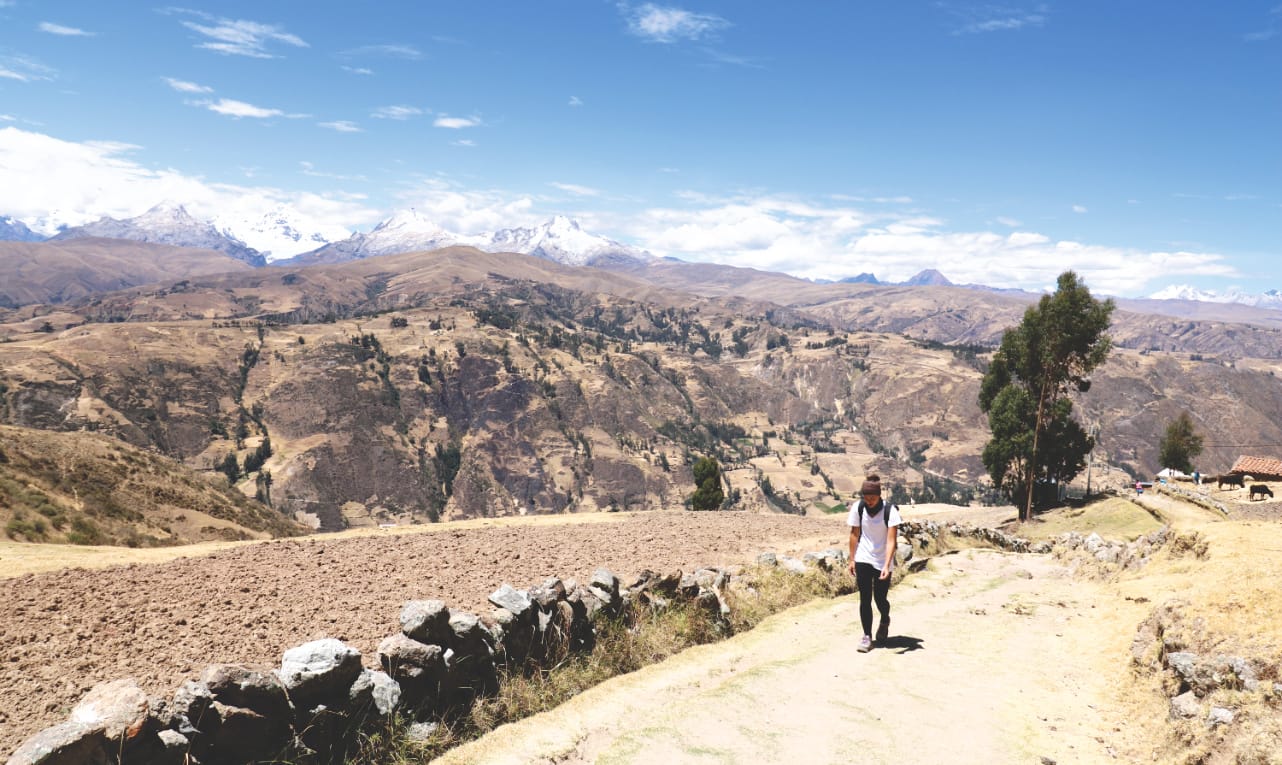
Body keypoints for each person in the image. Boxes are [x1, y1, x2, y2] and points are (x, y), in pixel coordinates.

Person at [846, 474, 902, 652]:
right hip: (863, 557)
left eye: (873, 497)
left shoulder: (889, 511)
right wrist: (852, 559)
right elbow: (854, 534)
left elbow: (892, 541)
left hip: (882, 559)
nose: (869, 501)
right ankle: (867, 636)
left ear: (880, 495)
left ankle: (885, 619)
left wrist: (886, 565)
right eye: (866, 497)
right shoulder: (859, 508)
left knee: (880, 598)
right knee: (865, 598)